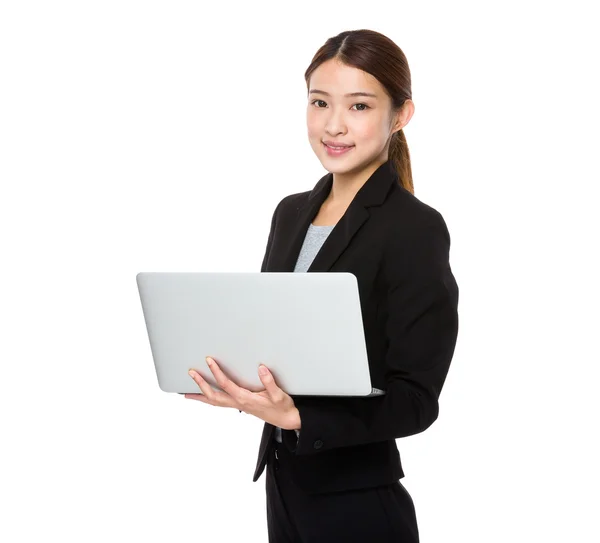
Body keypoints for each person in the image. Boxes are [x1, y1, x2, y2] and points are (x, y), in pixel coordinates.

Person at [185, 29, 459, 542]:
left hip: (358, 502)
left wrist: (299, 418)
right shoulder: (290, 214)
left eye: (359, 106)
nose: (334, 125)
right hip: (285, 487)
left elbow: (416, 399)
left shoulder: (414, 228)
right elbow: (281, 347)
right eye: (319, 102)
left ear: (400, 116)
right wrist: (244, 389)